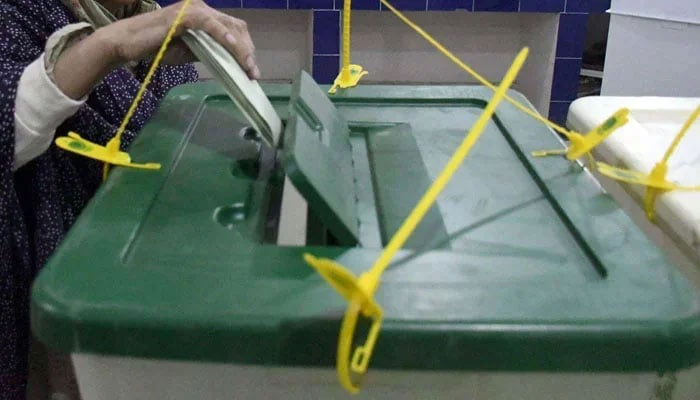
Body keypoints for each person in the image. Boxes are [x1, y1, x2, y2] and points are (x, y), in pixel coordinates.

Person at [0, 0, 259, 397]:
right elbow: (12, 124)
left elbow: (177, 131)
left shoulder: (139, 15)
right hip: (58, 318)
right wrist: (112, 44)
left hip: (142, 288)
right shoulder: (18, 15)